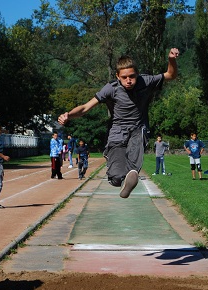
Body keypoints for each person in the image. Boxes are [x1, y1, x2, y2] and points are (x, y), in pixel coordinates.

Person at [58, 48, 179, 198]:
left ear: (137, 74)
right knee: (115, 177)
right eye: (124, 77)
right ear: (117, 76)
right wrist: (68, 115)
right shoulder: (111, 89)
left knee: (133, 163)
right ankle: (120, 180)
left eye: (132, 76)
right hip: (117, 131)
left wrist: (171, 60)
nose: (129, 81)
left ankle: (132, 175)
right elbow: (85, 108)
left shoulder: (145, 81)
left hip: (138, 129)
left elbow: (171, 75)